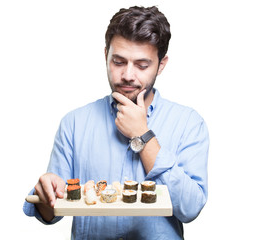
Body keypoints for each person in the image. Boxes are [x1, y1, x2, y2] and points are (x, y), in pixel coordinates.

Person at [23, 6, 209, 240]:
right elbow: (51, 212)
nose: (128, 75)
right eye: (119, 62)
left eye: (142, 65)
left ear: (161, 65)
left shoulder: (189, 123)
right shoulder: (74, 123)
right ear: (105, 56)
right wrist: (47, 195)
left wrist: (142, 135)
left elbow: (190, 208)